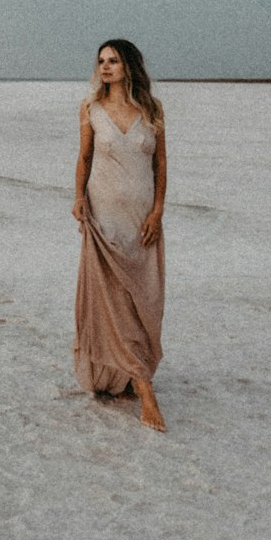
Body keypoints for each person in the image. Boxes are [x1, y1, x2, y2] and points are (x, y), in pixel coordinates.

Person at [72, 39, 167, 431]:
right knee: (112, 302)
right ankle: (144, 390)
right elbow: (85, 157)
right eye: (101, 61)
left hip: (141, 222)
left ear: (129, 66)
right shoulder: (91, 108)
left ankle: (127, 374)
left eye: (113, 61)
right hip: (104, 218)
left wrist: (158, 211)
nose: (106, 67)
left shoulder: (152, 110)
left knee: (143, 301)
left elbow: (161, 164)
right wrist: (77, 196)